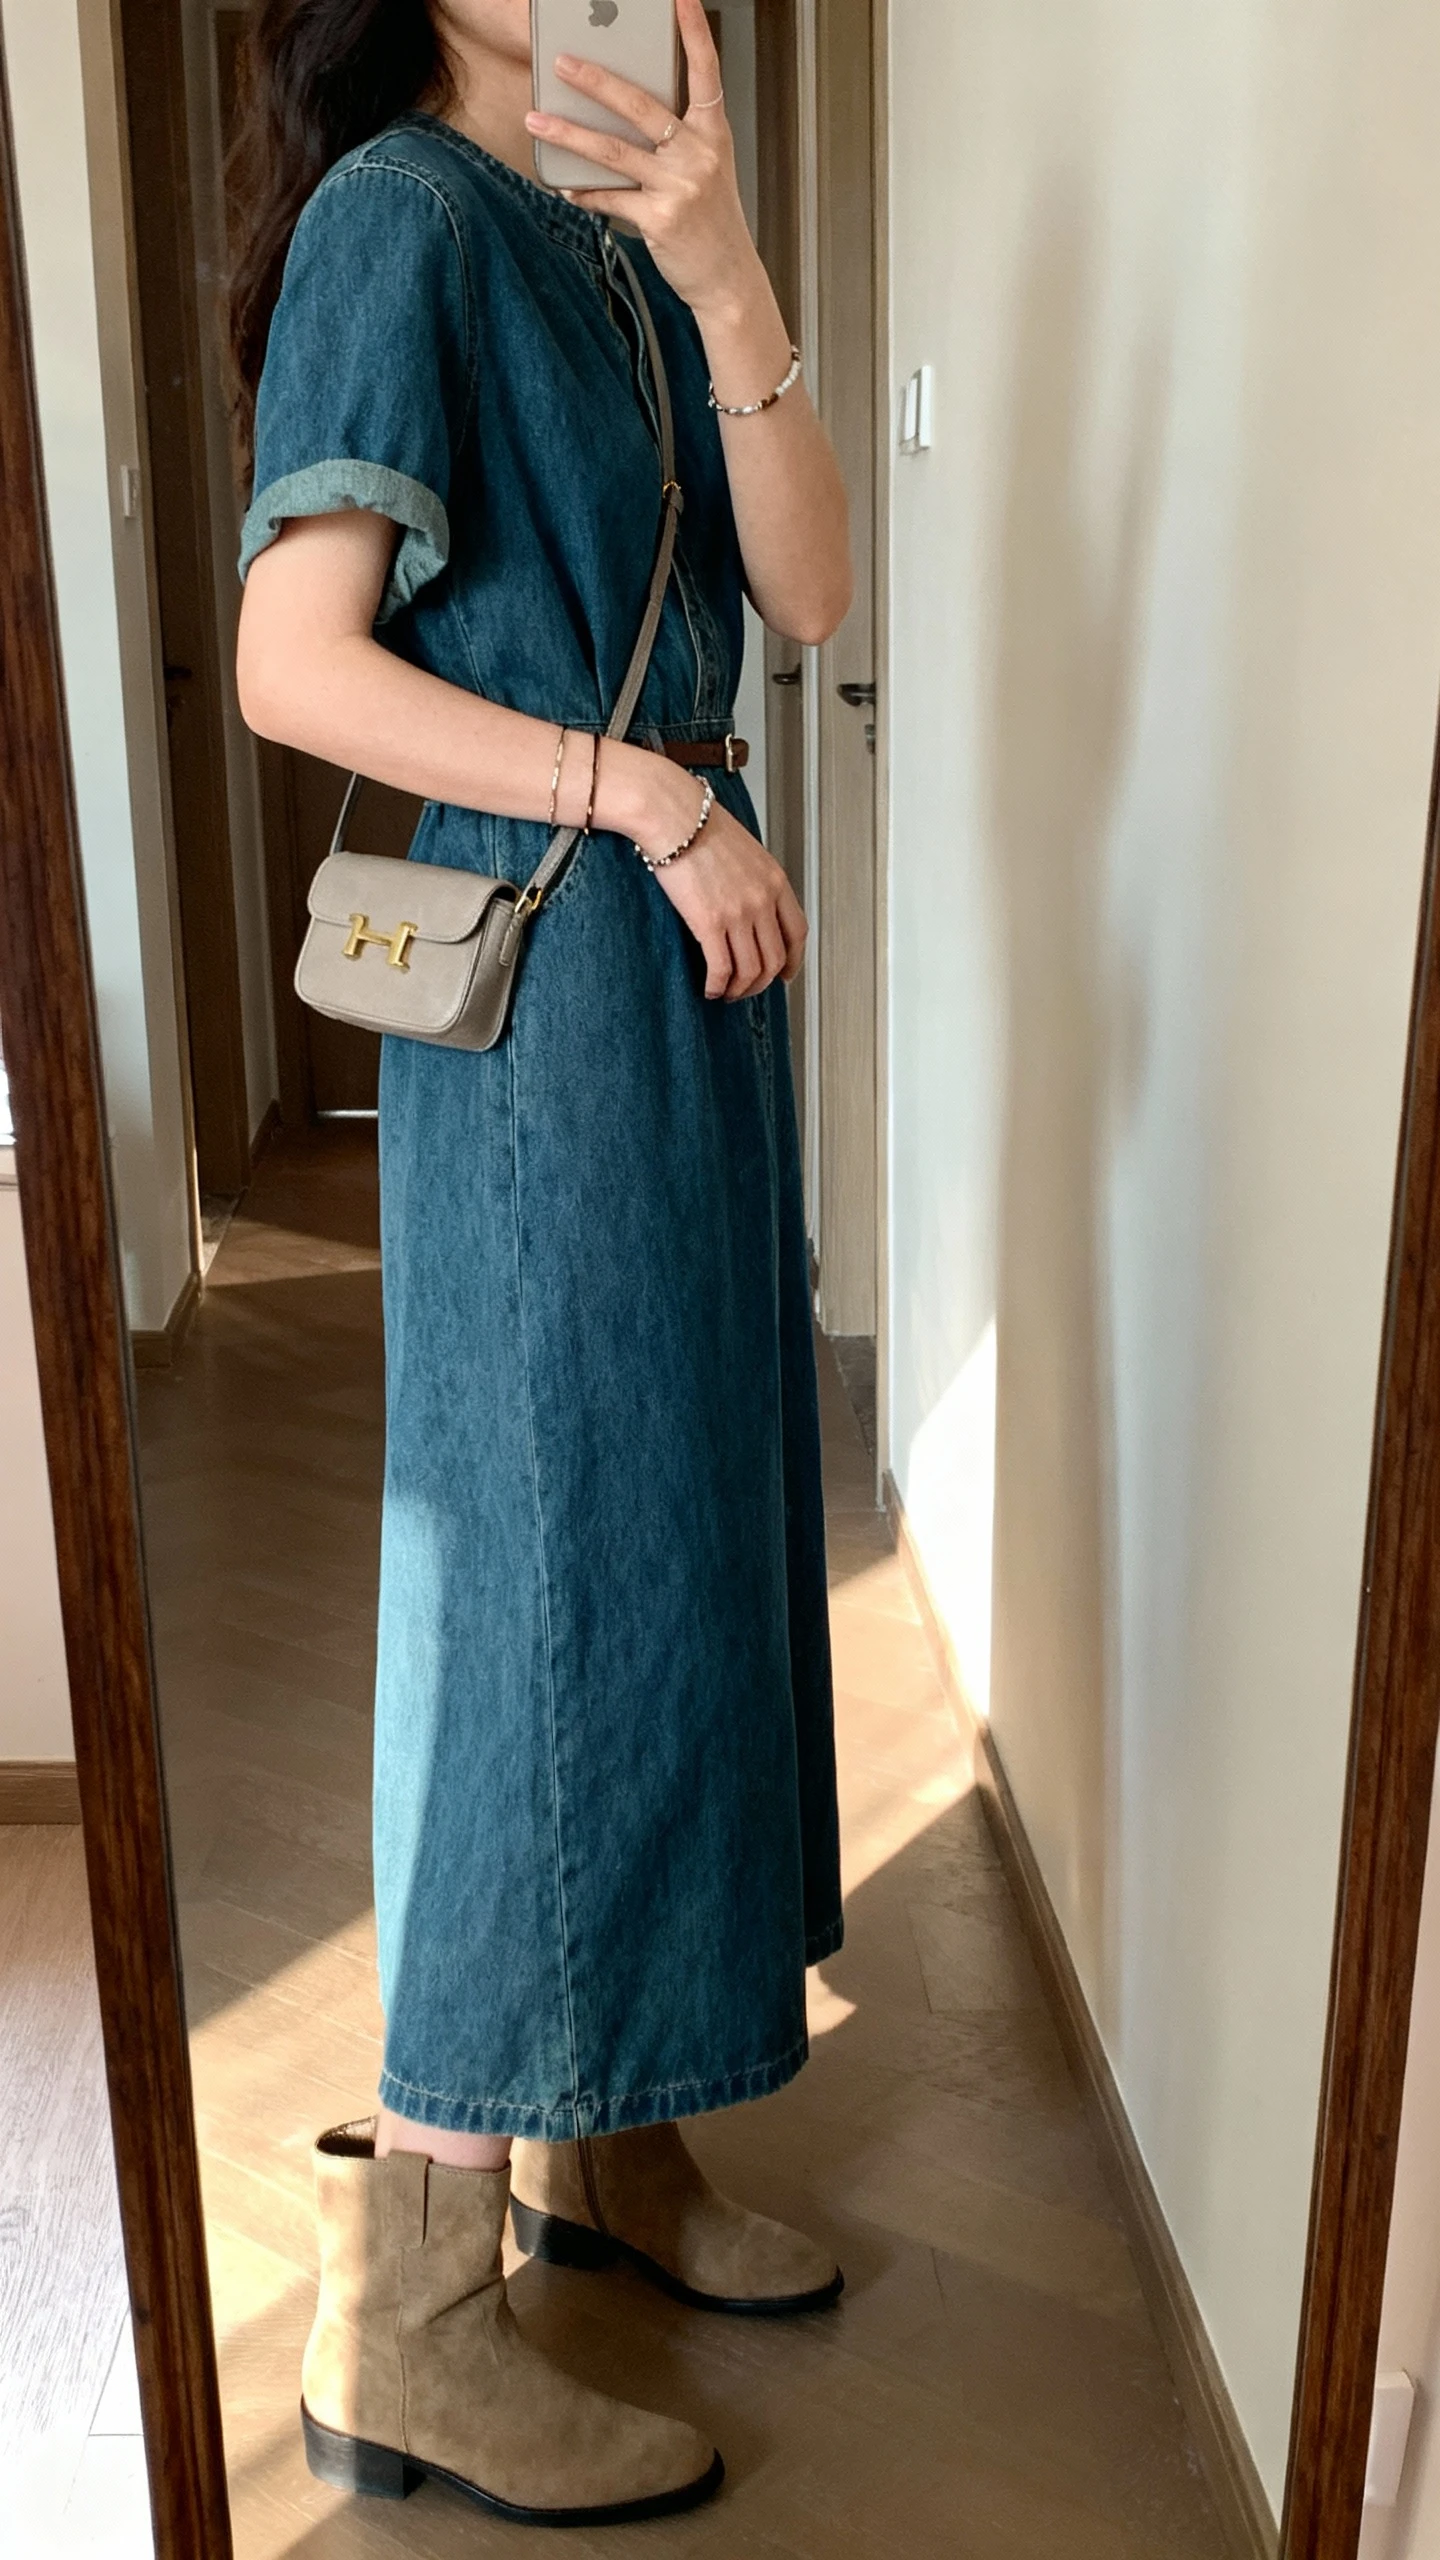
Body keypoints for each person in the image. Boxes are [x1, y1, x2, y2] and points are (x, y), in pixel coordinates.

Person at [230, 0, 852, 2526]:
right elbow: (296, 662)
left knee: (691, 1548)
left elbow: (801, 588)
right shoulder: (402, 215)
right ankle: (407, 2310)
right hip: (558, 963)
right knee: (553, 1594)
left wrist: (723, 269)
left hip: (682, 953)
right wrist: (640, 804)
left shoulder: (621, 236)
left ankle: (610, 2135)